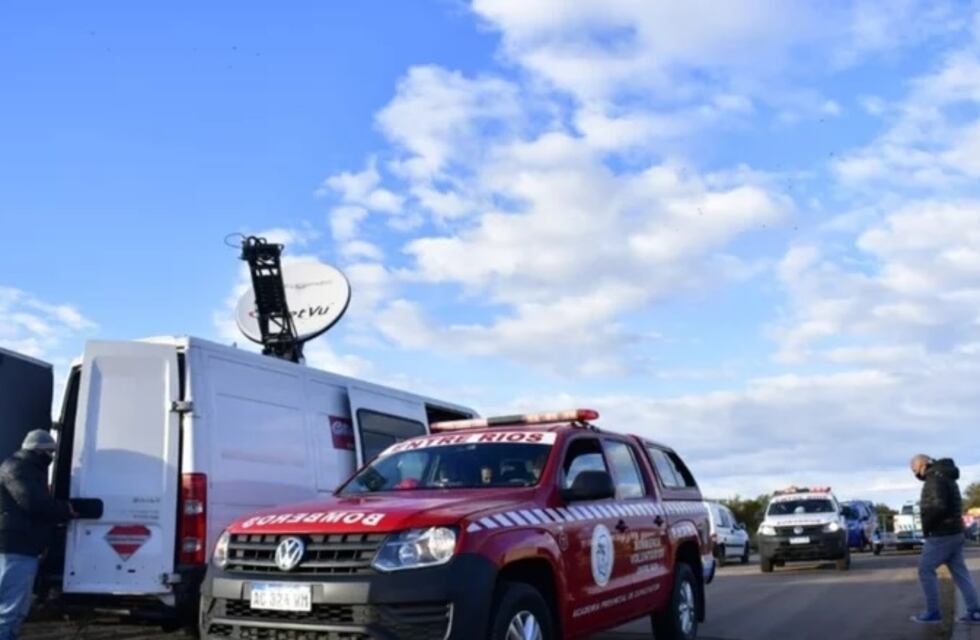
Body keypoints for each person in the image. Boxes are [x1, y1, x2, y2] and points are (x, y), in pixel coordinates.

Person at [0, 430, 75, 639]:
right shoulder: (18, 468)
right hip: (16, 549)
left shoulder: (24, 468)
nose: (51, 457)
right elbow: (34, 504)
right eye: (49, 451)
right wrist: (65, 509)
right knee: (10, 610)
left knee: (12, 608)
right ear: (38, 450)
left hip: (18, 547)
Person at [909, 454, 980, 625]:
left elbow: (937, 506)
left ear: (923, 465)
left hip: (942, 533)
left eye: (915, 470)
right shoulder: (946, 476)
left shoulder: (934, 479)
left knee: (925, 570)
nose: (916, 474)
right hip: (955, 531)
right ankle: (975, 611)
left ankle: (933, 612)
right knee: (960, 573)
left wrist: (927, 527)